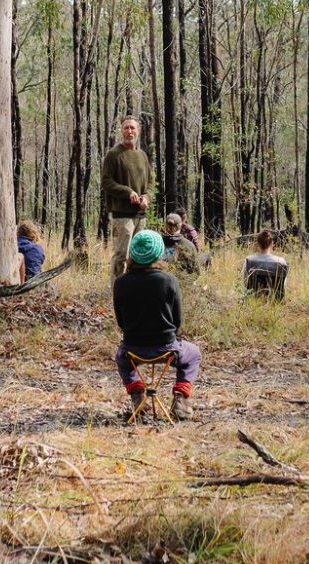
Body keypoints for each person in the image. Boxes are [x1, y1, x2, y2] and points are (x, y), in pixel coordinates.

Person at [112, 230, 201, 420]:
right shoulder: (169, 280)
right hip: (167, 349)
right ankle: (180, 401)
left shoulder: (120, 282)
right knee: (193, 353)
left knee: (120, 359)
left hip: (132, 351)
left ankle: (138, 396)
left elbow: (121, 322)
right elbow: (177, 322)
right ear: (159, 253)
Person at [102, 116, 153, 280]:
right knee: (121, 257)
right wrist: (127, 192)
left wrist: (146, 198)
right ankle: (117, 293)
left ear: (138, 131)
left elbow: (150, 183)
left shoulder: (143, 156)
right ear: (121, 131)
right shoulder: (113, 155)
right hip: (122, 216)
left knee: (140, 257)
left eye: (132, 128)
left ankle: (135, 293)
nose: (129, 131)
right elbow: (106, 182)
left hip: (140, 216)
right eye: (126, 128)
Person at [242, 230, 289, 298]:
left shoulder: (250, 260)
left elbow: (245, 283)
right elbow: (283, 284)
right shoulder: (281, 261)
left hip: (254, 299)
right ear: (271, 244)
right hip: (276, 300)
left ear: (257, 243)